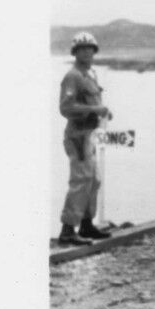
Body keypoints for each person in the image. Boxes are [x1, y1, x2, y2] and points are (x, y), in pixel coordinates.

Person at [58, 32, 113, 244]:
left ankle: (87, 225)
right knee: (81, 180)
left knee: (94, 180)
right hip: (78, 134)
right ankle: (68, 230)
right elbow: (65, 107)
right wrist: (94, 109)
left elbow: (94, 104)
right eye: (83, 49)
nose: (88, 52)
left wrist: (102, 112)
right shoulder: (72, 76)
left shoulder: (89, 75)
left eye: (91, 48)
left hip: (91, 134)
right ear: (75, 52)